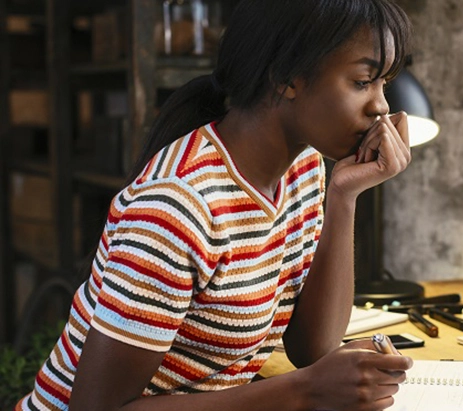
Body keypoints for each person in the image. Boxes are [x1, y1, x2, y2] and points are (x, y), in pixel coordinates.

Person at [16, 0, 415, 409]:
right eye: (363, 81)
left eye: (383, 83)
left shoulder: (305, 169)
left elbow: (314, 348)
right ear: (286, 78)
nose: (381, 105)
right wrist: (304, 389)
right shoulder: (176, 205)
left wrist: (345, 197)